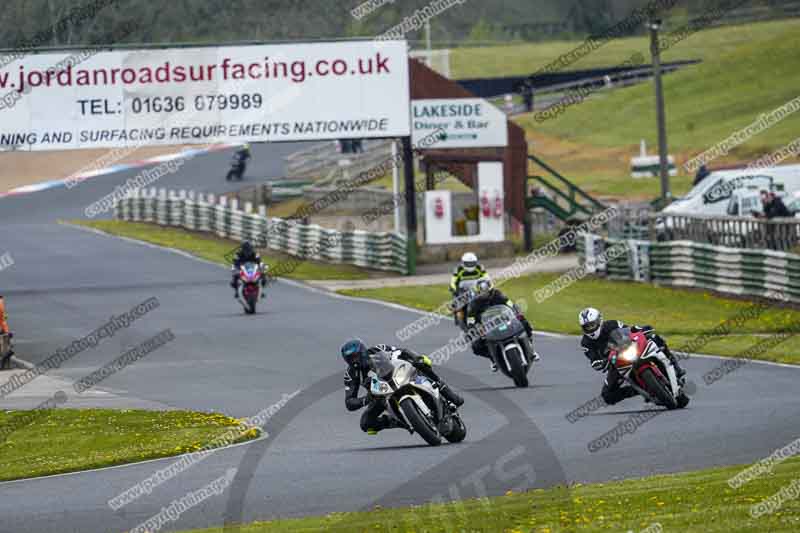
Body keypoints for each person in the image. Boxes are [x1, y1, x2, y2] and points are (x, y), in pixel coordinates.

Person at [341, 339, 464, 435]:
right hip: (381, 394)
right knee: (366, 424)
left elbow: (401, 351)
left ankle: (448, 392)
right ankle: (398, 421)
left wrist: (415, 357)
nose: (354, 361)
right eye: (350, 359)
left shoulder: (377, 349)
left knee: (421, 363)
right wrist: (366, 399)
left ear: (363, 352)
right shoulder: (351, 374)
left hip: (399, 376)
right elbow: (349, 402)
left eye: (356, 356)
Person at [578, 307, 685, 405]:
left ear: (599, 320)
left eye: (592, 325)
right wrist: (598, 363)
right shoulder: (585, 343)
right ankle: (639, 391)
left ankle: (676, 367)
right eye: (587, 327)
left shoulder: (612, 324)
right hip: (614, 364)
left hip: (629, 349)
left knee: (653, 337)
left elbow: (629, 331)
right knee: (607, 396)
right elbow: (593, 359)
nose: (590, 328)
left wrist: (639, 329)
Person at [467, 277, 539, 372]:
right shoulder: (474, 304)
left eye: (487, 292)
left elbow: (509, 304)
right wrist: (472, 329)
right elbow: (470, 319)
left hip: (505, 320)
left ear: (491, 289)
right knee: (476, 345)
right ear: (478, 293)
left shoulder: (498, 295)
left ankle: (530, 347)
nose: (485, 294)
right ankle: (493, 359)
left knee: (524, 323)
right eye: (482, 292)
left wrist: (517, 312)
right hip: (487, 327)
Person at [449, 252, 488, 327]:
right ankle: (458, 317)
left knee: (485, 300)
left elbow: (487, 277)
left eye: (472, 263)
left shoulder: (480, 267)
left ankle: (482, 317)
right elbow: (453, 281)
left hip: (476, 290)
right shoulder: (458, 269)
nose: (470, 265)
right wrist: (454, 290)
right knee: (458, 304)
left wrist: (488, 284)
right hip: (462, 291)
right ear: (463, 263)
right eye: (468, 263)